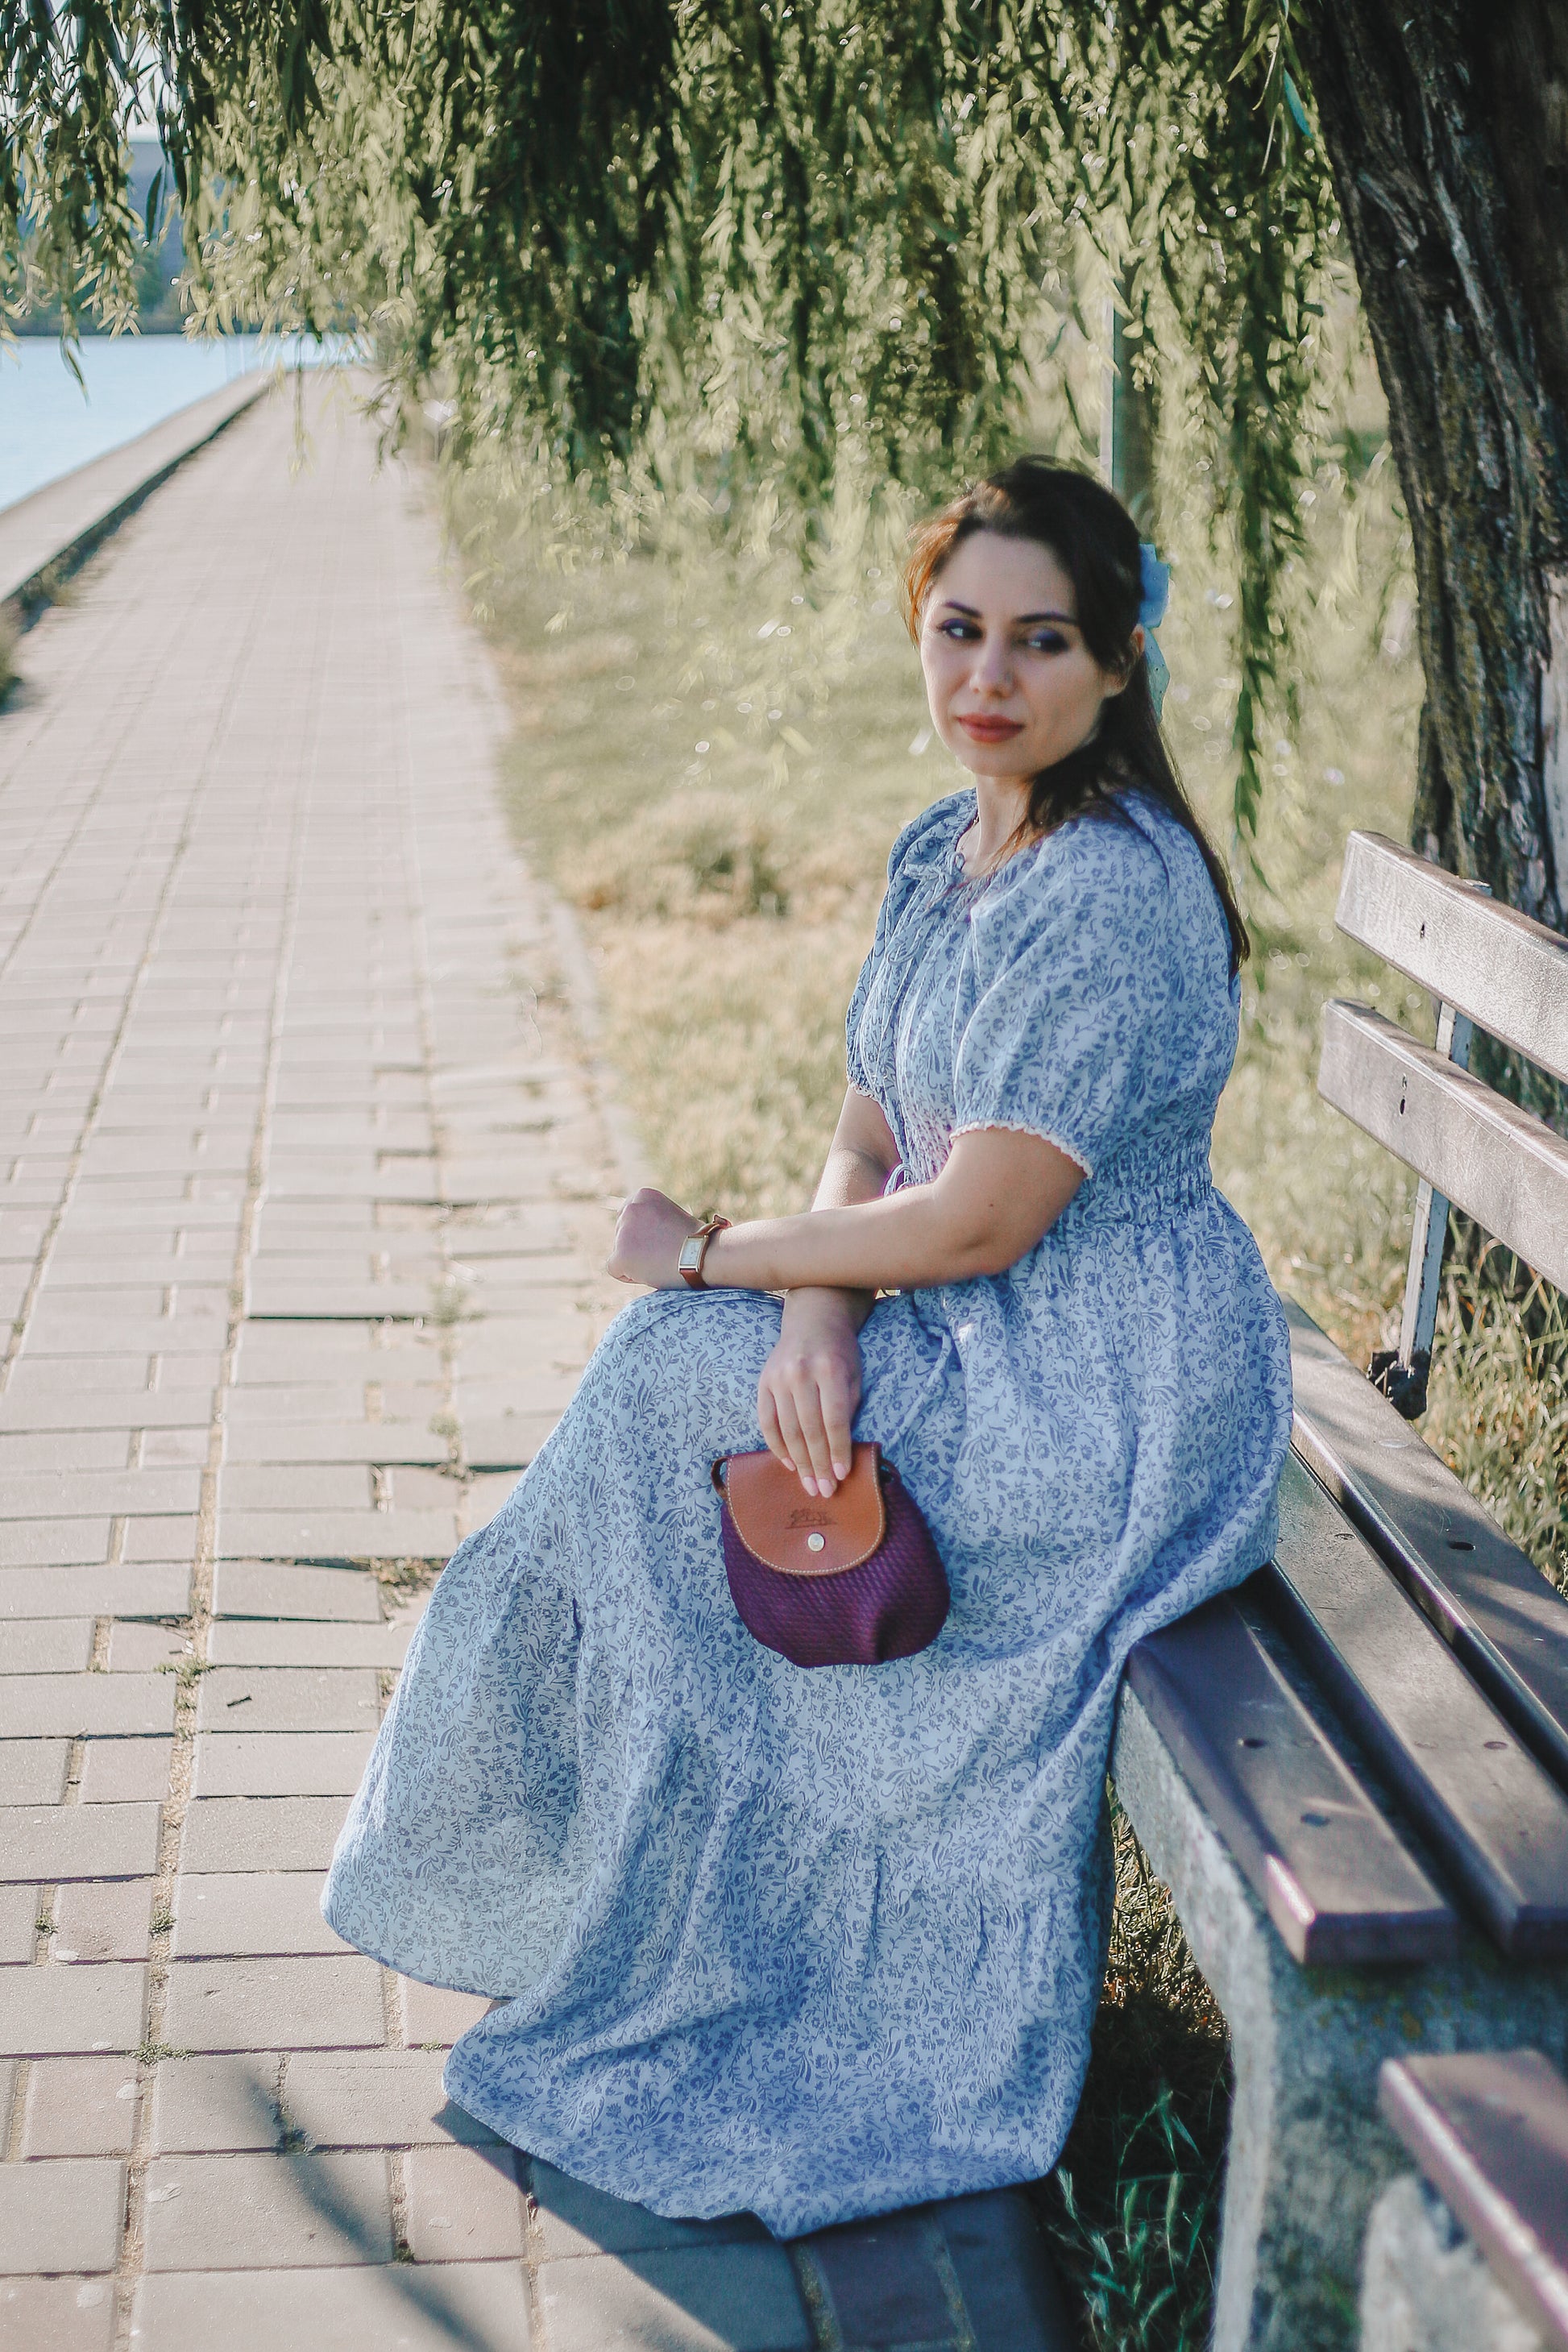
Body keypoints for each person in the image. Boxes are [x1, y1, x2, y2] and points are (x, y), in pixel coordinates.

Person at [322, 456, 1292, 2238]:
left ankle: (748, 1947)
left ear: (1117, 665)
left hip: (1101, 1382)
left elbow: (983, 1217)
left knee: (652, 1393)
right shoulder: (952, 847)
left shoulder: (1113, 891)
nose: (986, 677)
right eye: (956, 630)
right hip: (958, 1317)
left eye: (1040, 640)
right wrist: (808, 1307)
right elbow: (869, 1137)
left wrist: (700, 1256)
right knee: (676, 1409)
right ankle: (660, 1913)